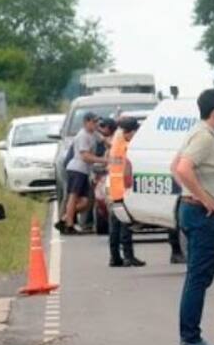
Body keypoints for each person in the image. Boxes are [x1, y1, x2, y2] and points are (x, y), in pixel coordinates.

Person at [169, 88, 214, 345]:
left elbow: (175, 166)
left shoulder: (198, 133)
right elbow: (182, 169)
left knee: (198, 276)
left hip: (191, 210)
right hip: (201, 214)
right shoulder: (204, 136)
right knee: (198, 277)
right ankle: (191, 337)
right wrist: (204, 198)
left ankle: (190, 335)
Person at [55, 112, 107, 235]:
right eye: (93, 122)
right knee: (73, 197)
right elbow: (85, 157)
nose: (95, 124)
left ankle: (64, 220)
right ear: (86, 122)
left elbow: (105, 140)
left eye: (96, 122)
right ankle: (69, 225)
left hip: (84, 171)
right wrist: (104, 160)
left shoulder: (94, 133)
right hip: (77, 169)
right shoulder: (82, 136)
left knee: (86, 202)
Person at [106, 117, 146, 267]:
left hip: (113, 189)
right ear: (130, 132)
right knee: (125, 225)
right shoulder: (127, 147)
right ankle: (128, 257)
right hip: (122, 189)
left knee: (115, 227)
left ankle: (114, 257)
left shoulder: (116, 143)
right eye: (135, 131)